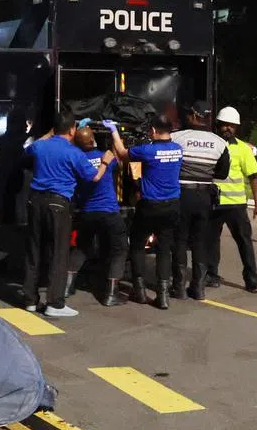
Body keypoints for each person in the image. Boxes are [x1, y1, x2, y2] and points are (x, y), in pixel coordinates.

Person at [21, 110, 114, 318]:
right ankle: (54, 303)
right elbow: (94, 178)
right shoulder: (74, 153)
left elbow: (29, 150)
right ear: (73, 130)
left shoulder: (40, 146)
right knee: (58, 254)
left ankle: (30, 300)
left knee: (33, 250)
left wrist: (52, 131)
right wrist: (106, 162)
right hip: (58, 204)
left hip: (35, 201)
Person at [104, 113, 183, 309]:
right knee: (164, 249)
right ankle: (162, 295)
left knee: (138, 244)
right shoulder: (178, 149)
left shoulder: (146, 151)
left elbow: (122, 153)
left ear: (154, 131)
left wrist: (114, 131)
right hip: (172, 204)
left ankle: (139, 290)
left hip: (150, 206)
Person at [170, 100, 230, 301]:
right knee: (200, 243)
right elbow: (222, 173)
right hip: (204, 197)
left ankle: (178, 287)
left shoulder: (176, 137)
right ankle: (198, 288)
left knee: (179, 240)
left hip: (182, 195)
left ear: (193, 116)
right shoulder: (220, 143)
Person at [68, 126, 128, 306]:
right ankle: (111, 293)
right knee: (120, 248)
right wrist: (114, 134)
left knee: (82, 247)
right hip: (109, 211)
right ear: (93, 140)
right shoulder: (106, 158)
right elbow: (121, 158)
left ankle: (66, 286)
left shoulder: (77, 160)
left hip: (87, 212)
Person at [207, 106, 257, 293]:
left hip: (236, 206)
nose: (227, 128)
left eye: (231, 125)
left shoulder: (243, 149)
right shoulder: (212, 145)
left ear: (236, 128)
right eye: (224, 125)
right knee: (212, 241)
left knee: (244, 242)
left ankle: (251, 279)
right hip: (214, 203)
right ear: (218, 125)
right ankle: (211, 275)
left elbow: (253, 177)